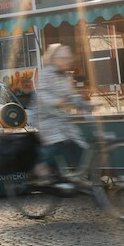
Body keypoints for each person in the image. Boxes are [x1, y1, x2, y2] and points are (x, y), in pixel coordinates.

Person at [31, 44, 90, 190]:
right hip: (44, 118)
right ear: (54, 58)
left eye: (67, 58)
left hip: (61, 118)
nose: (66, 61)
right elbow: (42, 95)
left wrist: (85, 104)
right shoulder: (46, 73)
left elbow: (71, 94)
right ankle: (40, 166)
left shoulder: (65, 76)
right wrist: (56, 102)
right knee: (57, 143)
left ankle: (80, 175)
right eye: (63, 58)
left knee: (79, 144)